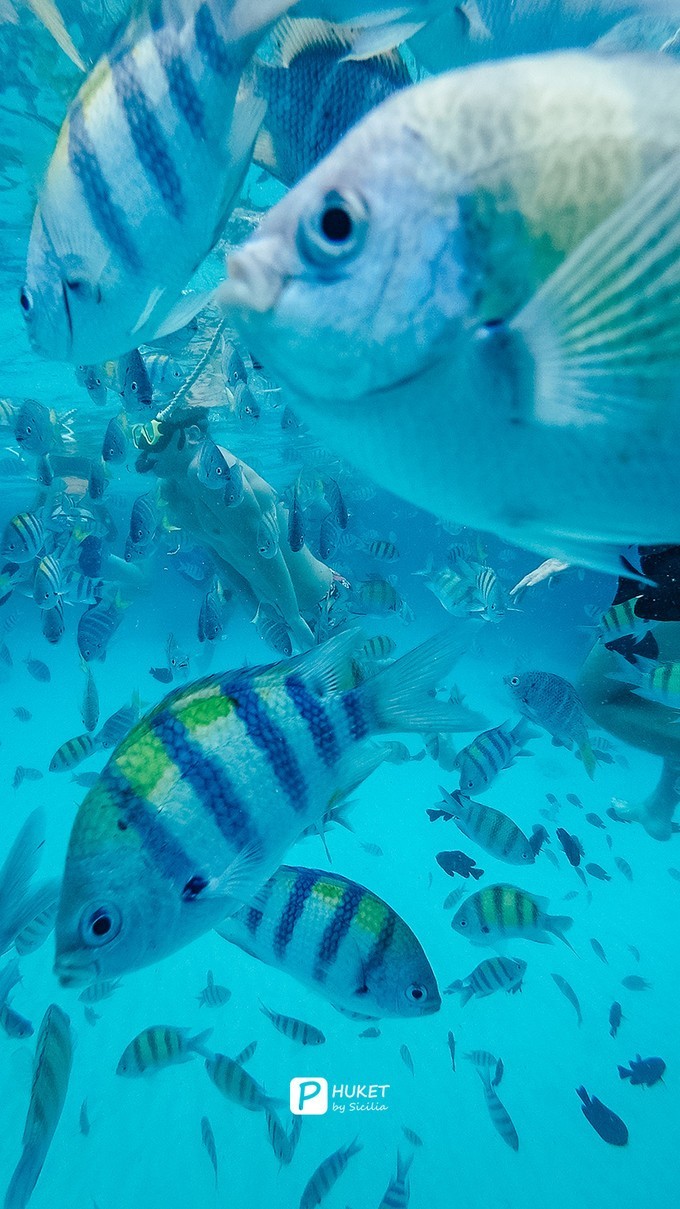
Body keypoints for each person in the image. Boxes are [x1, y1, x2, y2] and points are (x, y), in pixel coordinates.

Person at [133, 408, 334, 651]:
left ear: (192, 434)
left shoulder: (207, 471)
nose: (145, 447)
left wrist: (293, 617)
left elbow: (261, 545)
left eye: (155, 434)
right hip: (286, 613)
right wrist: (257, 610)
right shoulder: (171, 494)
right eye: (141, 435)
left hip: (323, 602)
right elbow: (219, 555)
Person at [577, 547, 680, 840]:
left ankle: (658, 808)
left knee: (598, 695)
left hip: (673, 585)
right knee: (668, 693)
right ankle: (659, 806)